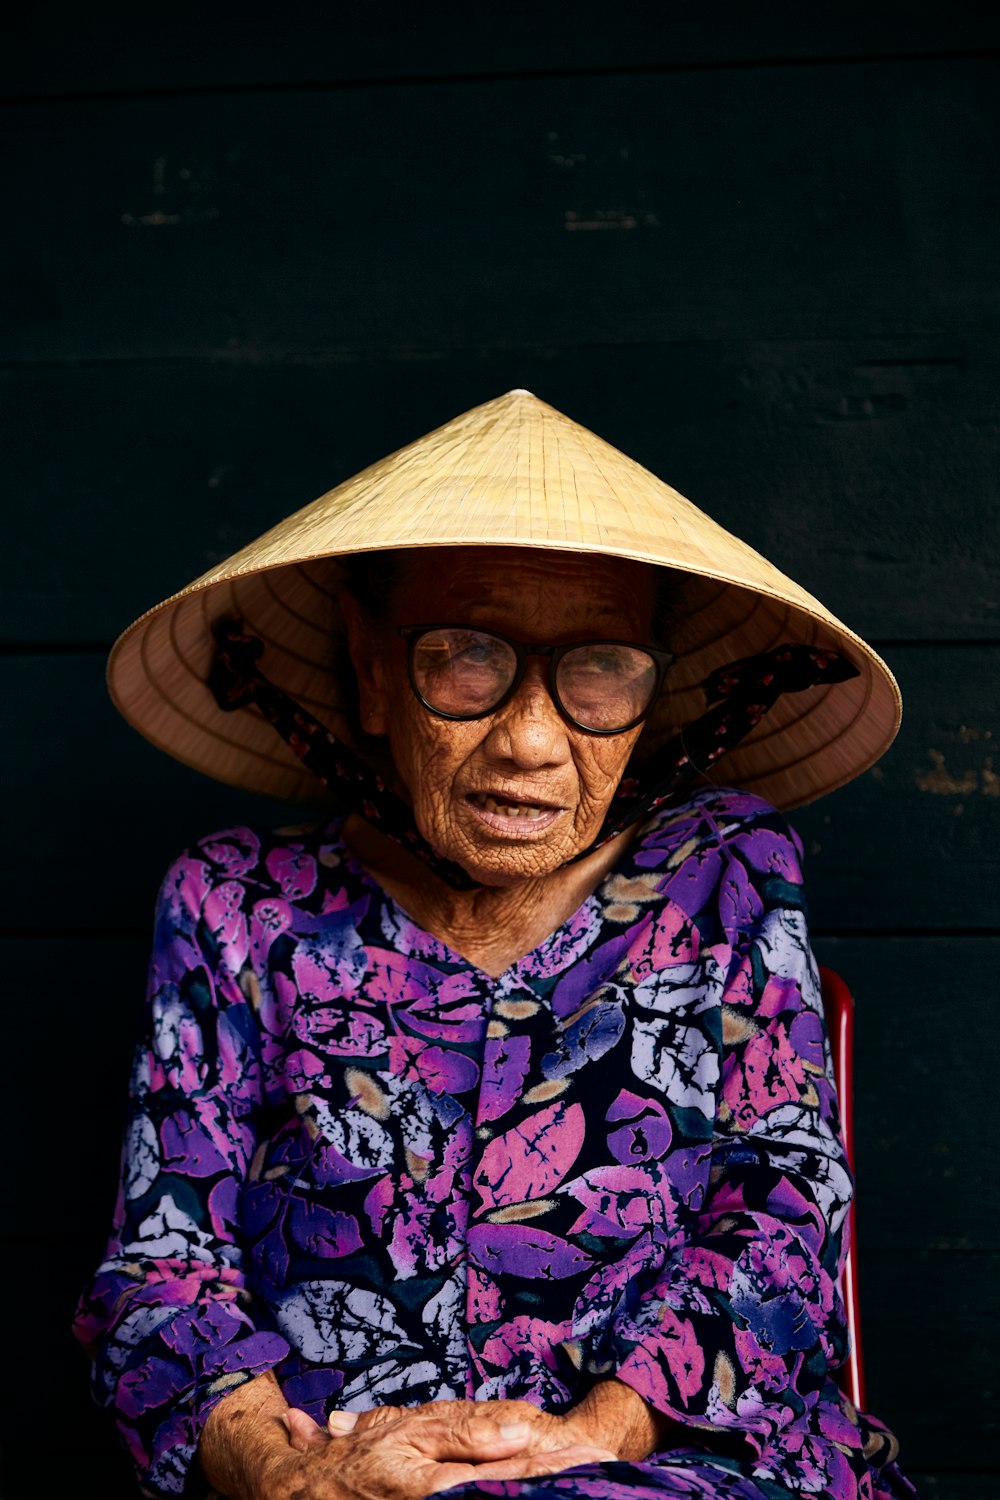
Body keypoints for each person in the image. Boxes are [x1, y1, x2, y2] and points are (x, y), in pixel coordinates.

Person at [74, 390, 917, 1500]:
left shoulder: (725, 866)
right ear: (373, 674)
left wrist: (592, 1441)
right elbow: (164, 1268)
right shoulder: (236, 900)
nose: (527, 739)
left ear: (649, 695)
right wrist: (285, 1478)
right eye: (466, 657)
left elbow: (784, 1206)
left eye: (600, 667)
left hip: (667, 1470)